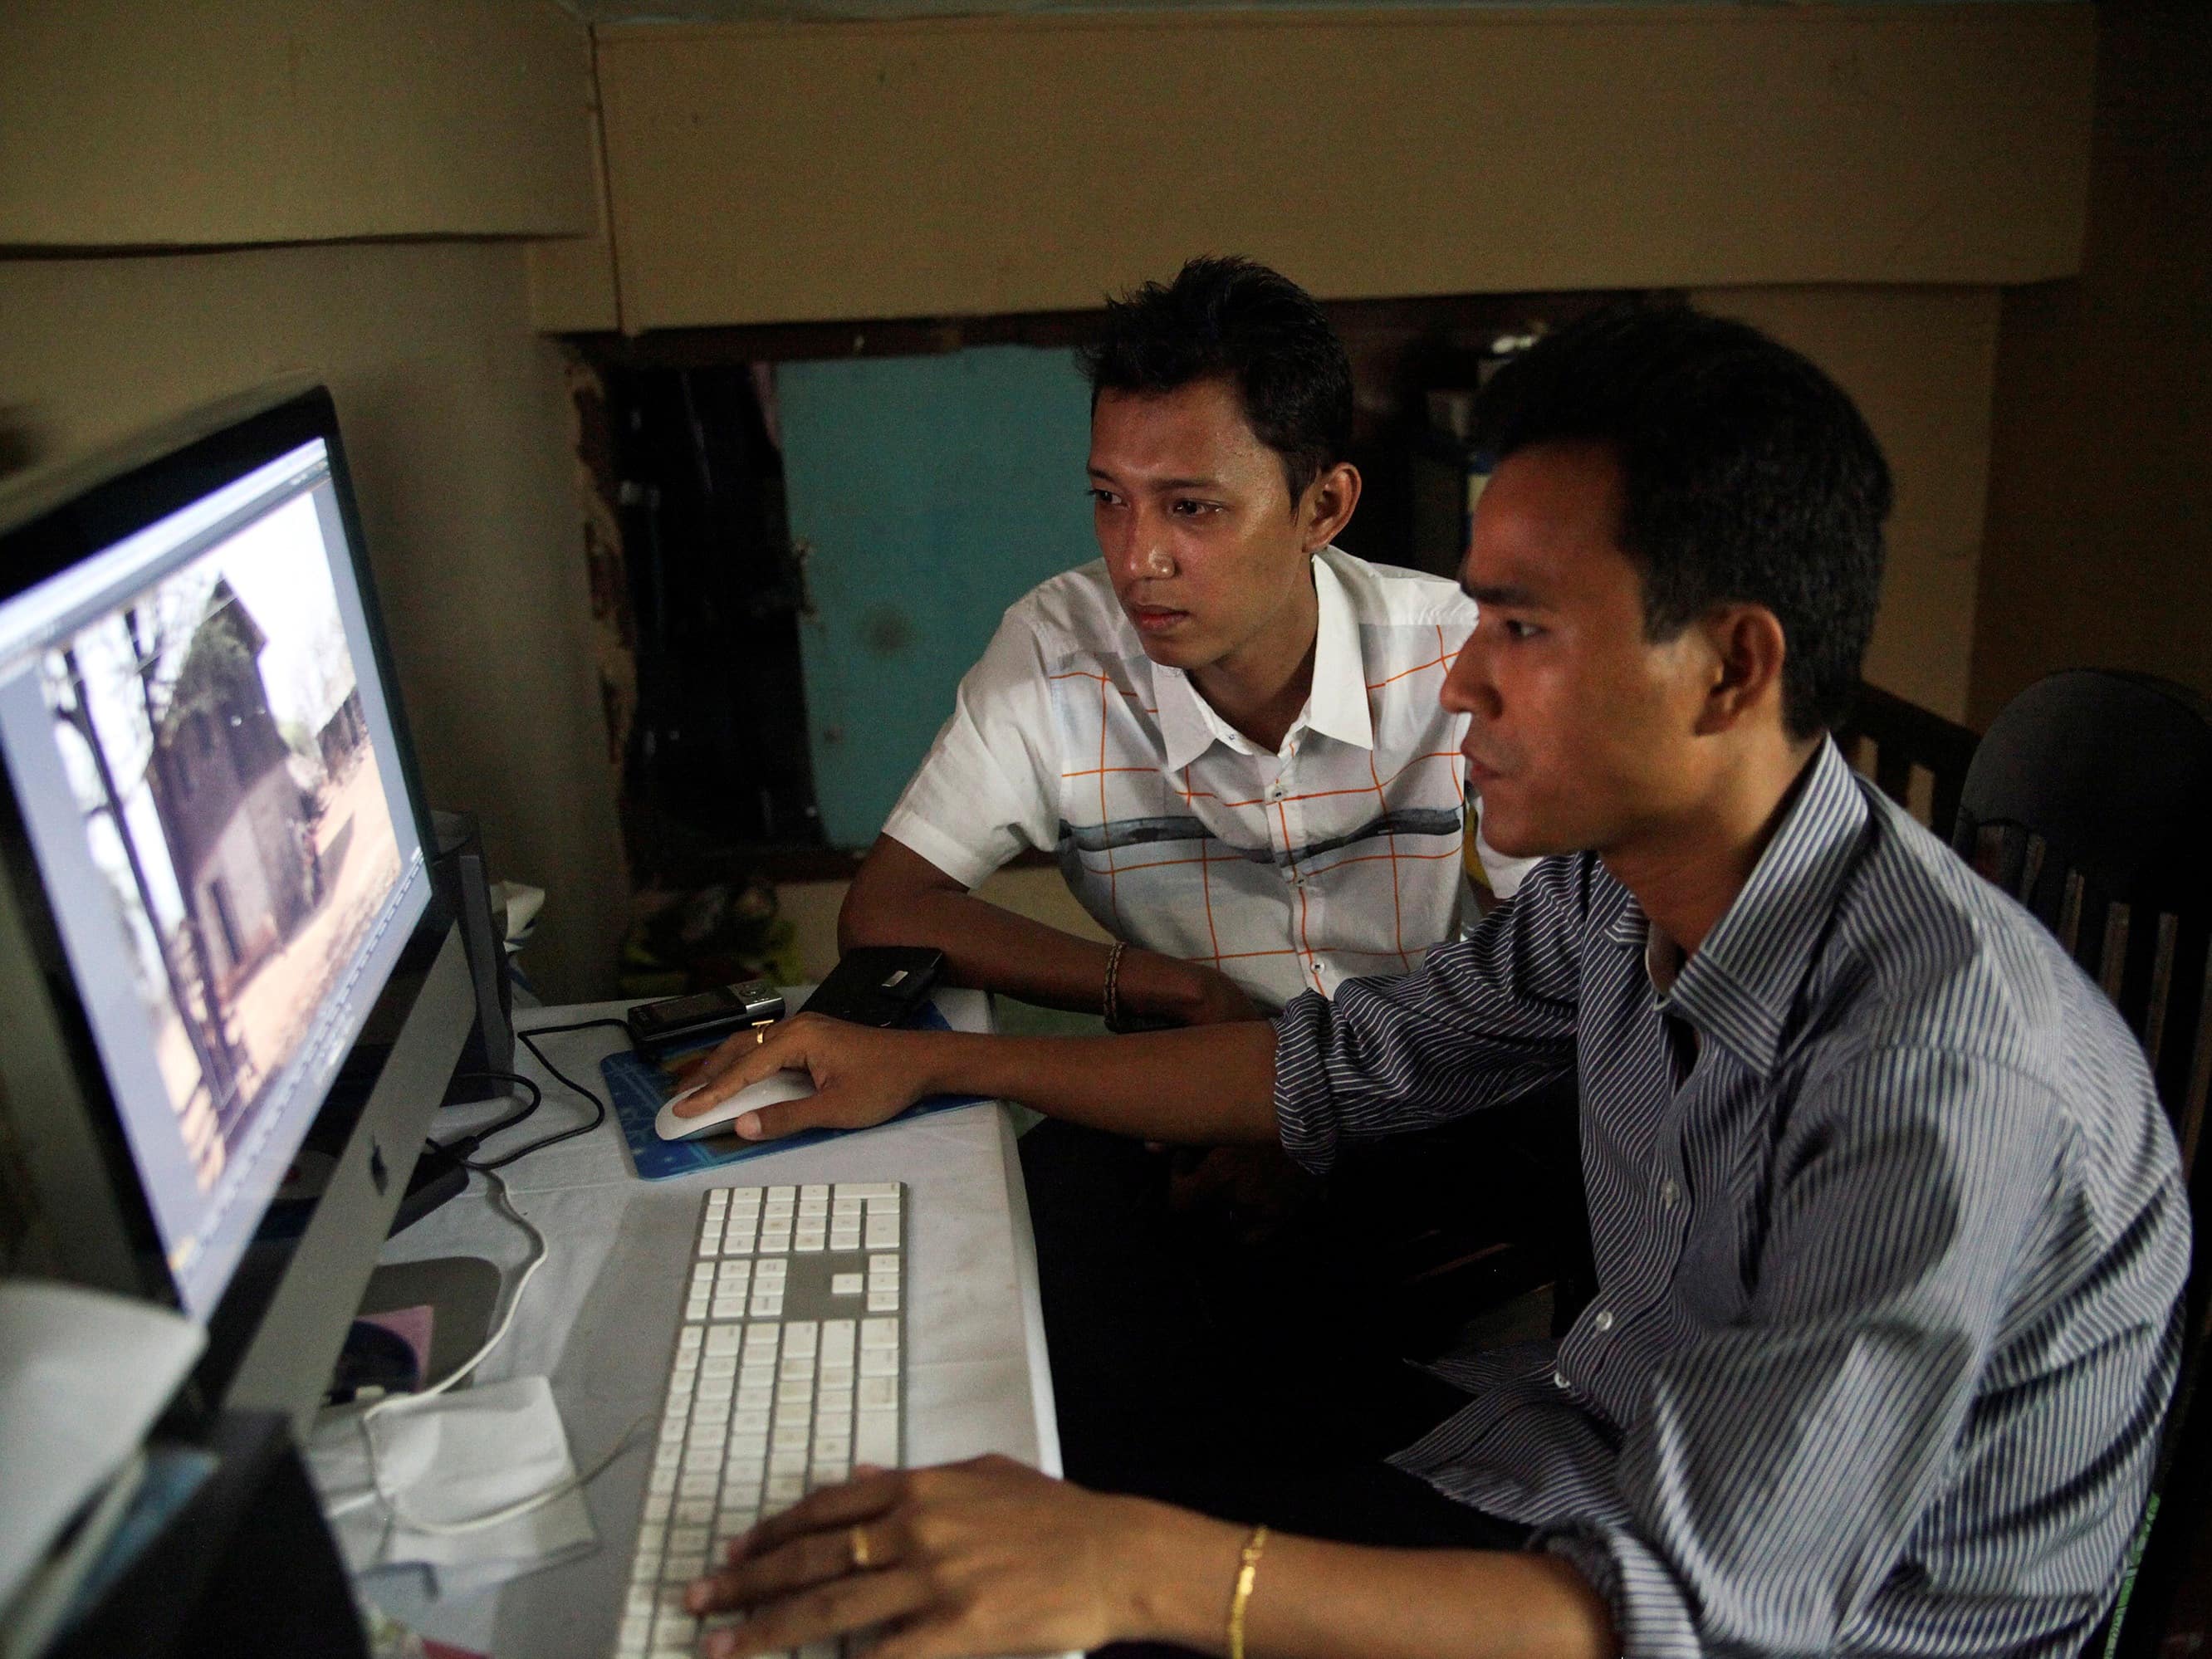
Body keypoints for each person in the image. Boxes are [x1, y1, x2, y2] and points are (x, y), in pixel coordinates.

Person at [673, 304, 2189, 1659]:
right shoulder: (1617, 886)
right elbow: (1327, 1060)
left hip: (1732, 1612)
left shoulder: (1938, 1069)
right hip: (1584, 1464)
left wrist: (1142, 1569)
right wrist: (945, 1065)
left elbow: (1694, 1611)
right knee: (1054, 1475)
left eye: (1519, 626)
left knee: (1103, 1562)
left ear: (1729, 670)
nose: (1455, 680)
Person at [838, 254, 1529, 1026]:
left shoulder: (1456, 653)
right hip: (1183, 1092)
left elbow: (1548, 951)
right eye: (1109, 498)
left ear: (1324, 509)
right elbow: (886, 910)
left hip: (1422, 1096)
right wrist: (1170, 988)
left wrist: (1311, 1111)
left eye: (1192, 508)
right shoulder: (1058, 653)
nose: (1136, 560)